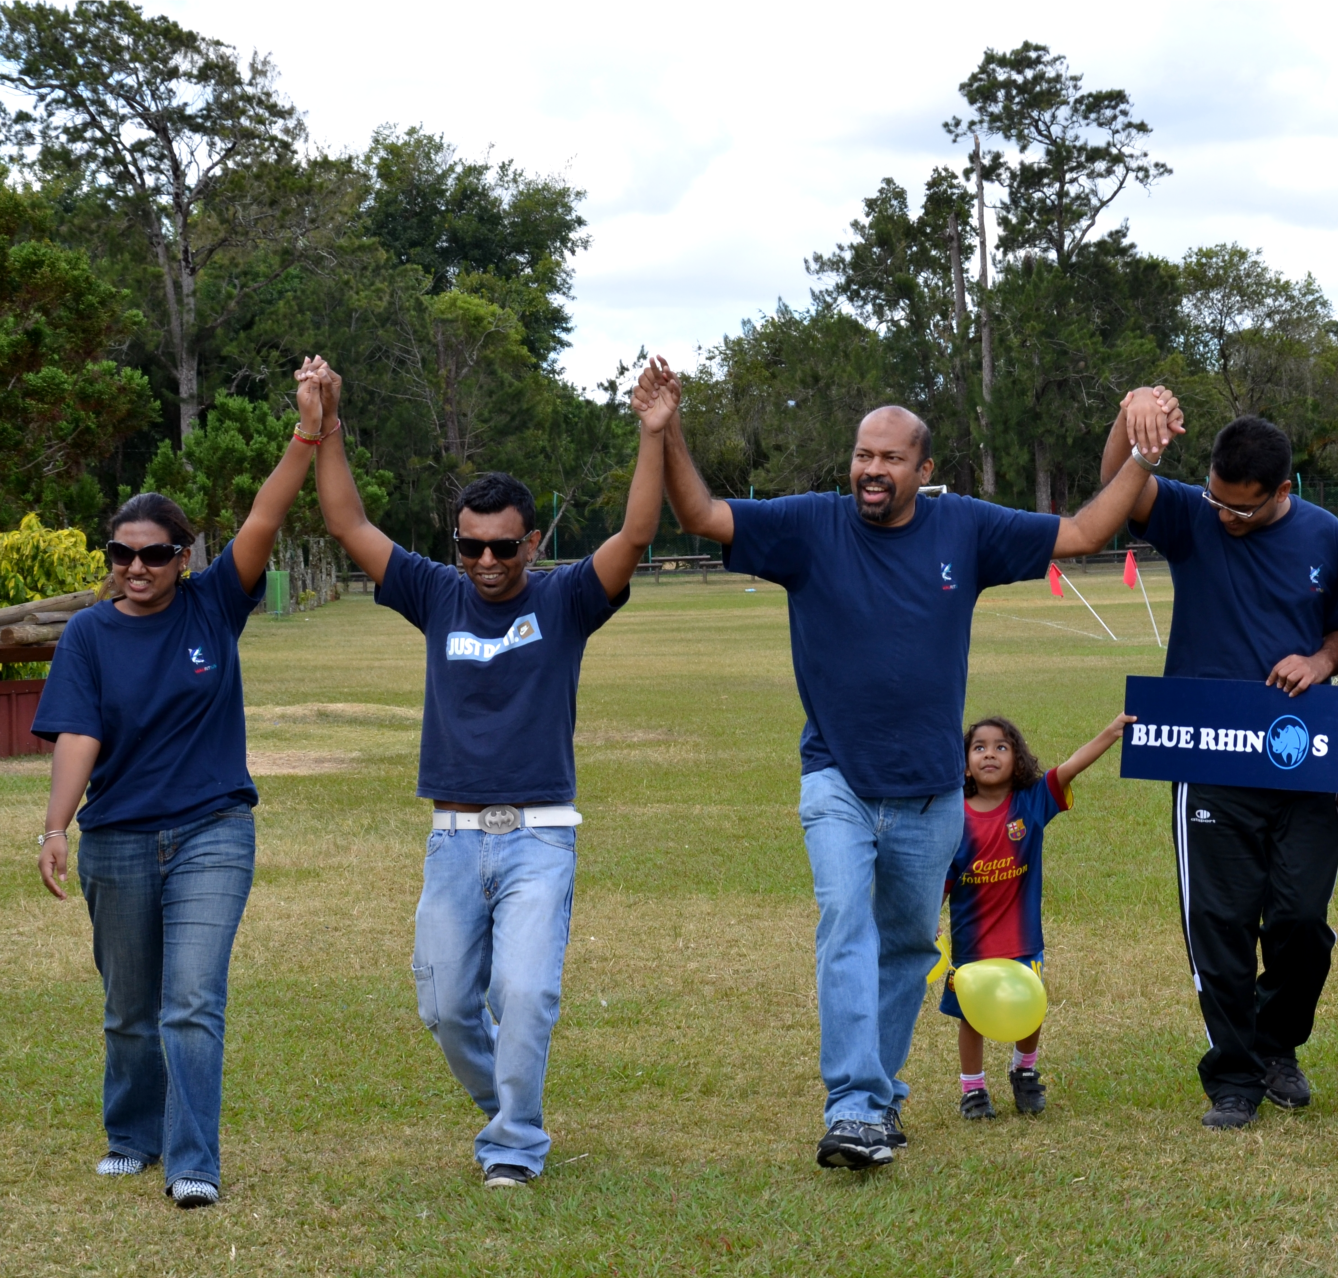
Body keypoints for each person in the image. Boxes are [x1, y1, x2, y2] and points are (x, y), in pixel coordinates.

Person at [643, 353, 1181, 1168]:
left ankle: (882, 1099)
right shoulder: (808, 526)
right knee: (846, 926)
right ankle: (854, 1105)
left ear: (922, 470)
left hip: (932, 793)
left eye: (892, 457)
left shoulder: (961, 525)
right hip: (838, 778)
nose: (873, 468)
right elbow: (702, 514)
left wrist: (1141, 459)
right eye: (864, 454)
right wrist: (668, 429)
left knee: (905, 948)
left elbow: (1080, 534)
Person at [311, 361, 671, 1188]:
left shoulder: (565, 600)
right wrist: (325, 420)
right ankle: (509, 1105)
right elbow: (346, 520)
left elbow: (635, 536)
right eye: (469, 545)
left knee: (525, 994)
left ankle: (513, 1144)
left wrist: (651, 437)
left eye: (503, 546)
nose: (485, 560)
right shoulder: (436, 594)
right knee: (442, 1007)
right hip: (452, 840)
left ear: (531, 543)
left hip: (540, 835)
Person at [32, 359, 332, 1206]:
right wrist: (56, 827)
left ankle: (193, 1160)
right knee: (130, 1011)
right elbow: (78, 735)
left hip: (211, 830)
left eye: (154, 555)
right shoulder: (88, 636)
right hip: (117, 839)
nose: (136, 569)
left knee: (191, 999)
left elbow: (268, 513)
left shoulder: (212, 604)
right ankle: (132, 1134)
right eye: (121, 556)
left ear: (182, 555)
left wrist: (307, 430)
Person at [1100, 410, 1338, 1128]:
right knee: (1220, 921)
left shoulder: (1327, 534)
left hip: (1303, 759)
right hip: (1208, 756)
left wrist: (1323, 660)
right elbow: (1116, 484)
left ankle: (1277, 1044)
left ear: (1282, 489)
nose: (1225, 516)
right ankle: (1233, 1075)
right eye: (1216, 498)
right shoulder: (1190, 515)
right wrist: (1128, 419)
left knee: (1299, 919)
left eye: (1243, 506)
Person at [943, 712, 1133, 1120]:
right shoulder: (952, 818)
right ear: (964, 763)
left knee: (1031, 1006)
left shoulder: (1031, 803)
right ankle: (972, 1090)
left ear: (1018, 758)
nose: (989, 754)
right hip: (971, 941)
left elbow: (1071, 767)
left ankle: (1024, 1072)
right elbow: (938, 880)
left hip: (1022, 937)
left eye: (1001, 747)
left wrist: (1111, 732)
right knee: (971, 1015)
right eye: (979, 748)